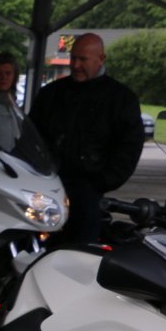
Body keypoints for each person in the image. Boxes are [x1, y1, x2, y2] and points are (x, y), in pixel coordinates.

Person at [29, 33, 144, 244]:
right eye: (73, 58)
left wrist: (103, 182)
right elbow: (30, 135)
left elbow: (130, 146)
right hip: (47, 186)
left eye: (83, 59)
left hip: (88, 191)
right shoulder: (51, 94)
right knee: (37, 245)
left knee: (80, 250)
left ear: (101, 59)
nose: (76, 65)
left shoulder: (120, 99)